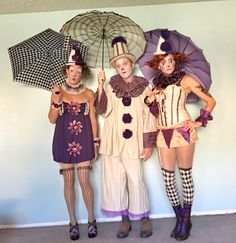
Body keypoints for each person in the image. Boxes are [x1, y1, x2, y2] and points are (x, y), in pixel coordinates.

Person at [144, 30, 216, 241]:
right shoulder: (155, 84)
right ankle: (179, 216)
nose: (168, 64)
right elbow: (157, 111)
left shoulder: (186, 80)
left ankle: (186, 219)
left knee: (184, 176)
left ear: (175, 60)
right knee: (167, 179)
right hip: (162, 133)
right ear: (158, 64)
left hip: (182, 131)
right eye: (164, 62)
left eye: (171, 60)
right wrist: (150, 101)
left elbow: (211, 101)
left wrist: (198, 121)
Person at [95, 36, 157, 239]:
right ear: (116, 67)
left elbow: (149, 116)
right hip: (113, 142)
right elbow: (102, 110)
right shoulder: (111, 86)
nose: (122, 67)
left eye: (125, 63)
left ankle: (144, 218)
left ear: (132, 64)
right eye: (118, 64)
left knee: (135, 179)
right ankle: (124, 220)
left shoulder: (144, 86)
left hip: (133, 143)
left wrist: (148, 144)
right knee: (115, 180)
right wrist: (100, 86)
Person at [48, 43, 98, 241]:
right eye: (72, 69)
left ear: (82, 72)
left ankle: (92, 220)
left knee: (85, 181)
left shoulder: (88, 94)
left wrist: (96, 143)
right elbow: (52, 119)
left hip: (84, 140)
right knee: (68, 182)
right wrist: (55, 101)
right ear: (66, 70)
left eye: (79, 70)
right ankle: (73, 222)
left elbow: (93, 120)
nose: (75, 73)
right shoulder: (57, 91)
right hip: (63, 139)